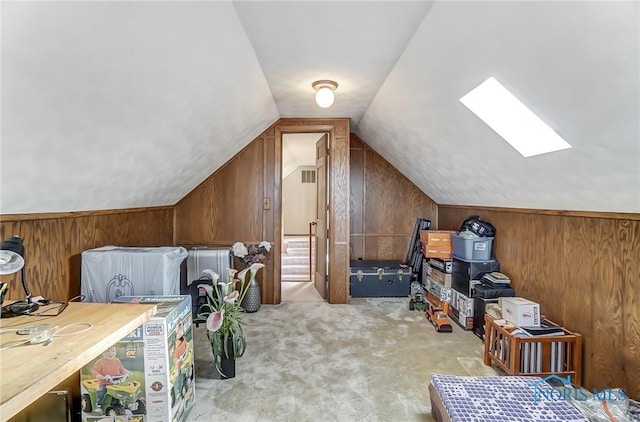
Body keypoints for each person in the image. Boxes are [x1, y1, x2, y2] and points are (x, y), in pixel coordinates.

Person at [91, 345, 130, 413]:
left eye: (113, 351)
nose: (111, 353)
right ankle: (99, 404)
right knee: (102, 391)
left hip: (117, 382)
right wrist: (99, 376)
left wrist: (126, 372)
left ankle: (122, 403)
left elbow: (121, 369)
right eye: (107, 351)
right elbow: (95, 370)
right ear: (102, 353)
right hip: (105, 382)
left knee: (122, 391)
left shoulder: (117, 361)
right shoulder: (100, 362)